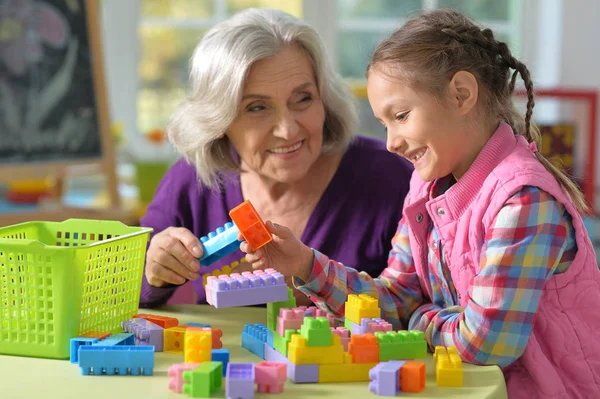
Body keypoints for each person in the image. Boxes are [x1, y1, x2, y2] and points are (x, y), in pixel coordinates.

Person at [239, 9, 600, 398]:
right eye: (384, 124)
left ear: (461, 95)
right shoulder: (424, 191)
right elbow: (395, 298)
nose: (391, 141)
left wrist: (418, 318)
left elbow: (486, 343)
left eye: (401, 116)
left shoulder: (523, 200)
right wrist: (305, 264)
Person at [139, 8, 413, 307]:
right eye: (257, 108)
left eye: (303, 98)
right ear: (219, 121)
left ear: (324, 99)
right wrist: (154, 273)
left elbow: (422, 302)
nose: (287, 130)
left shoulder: (392, 178)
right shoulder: (191, 181)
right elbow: (120, 292)